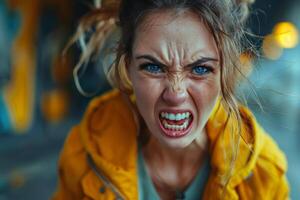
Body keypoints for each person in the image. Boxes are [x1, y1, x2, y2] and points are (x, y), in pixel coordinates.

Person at [52, 0, 289, 199]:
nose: (176, 95)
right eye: (153, 67)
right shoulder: (83, 156)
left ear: (225, 72)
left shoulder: (262, 175)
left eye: (200, 69)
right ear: (127, 68)